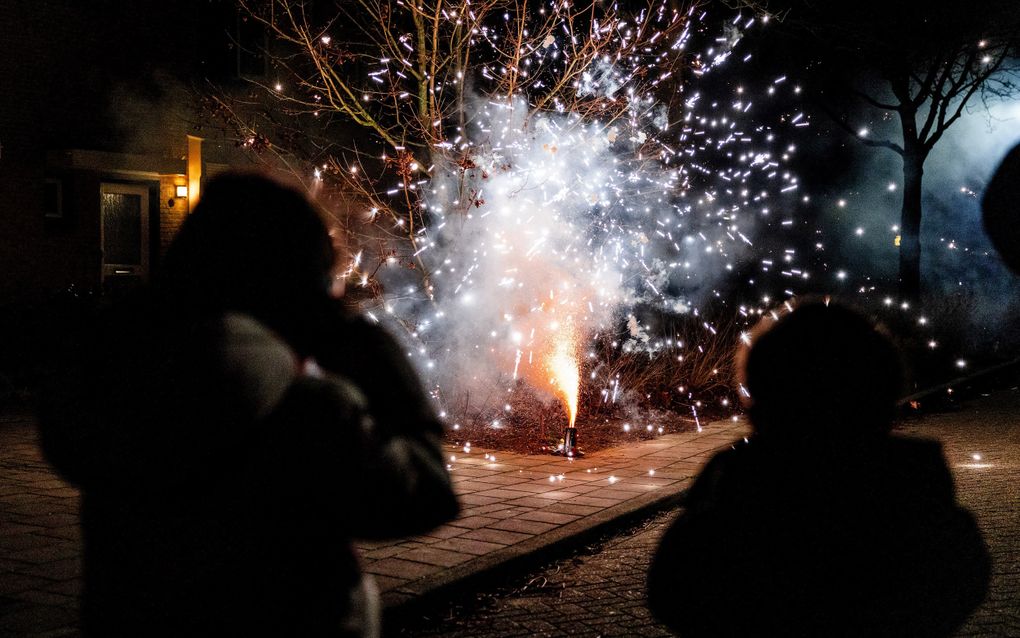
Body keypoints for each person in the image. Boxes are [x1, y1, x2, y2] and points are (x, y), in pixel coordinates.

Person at [37, 170, 459, 637]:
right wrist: (377, 359)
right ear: (298, 291)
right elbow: (425, 495)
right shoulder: (307, 414)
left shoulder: (110, 389)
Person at [647, 300, 989, 637]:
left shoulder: (739, 481)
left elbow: (673, 590)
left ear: (760, 397)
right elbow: (960, 581)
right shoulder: (912, 480)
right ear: (883, 392)